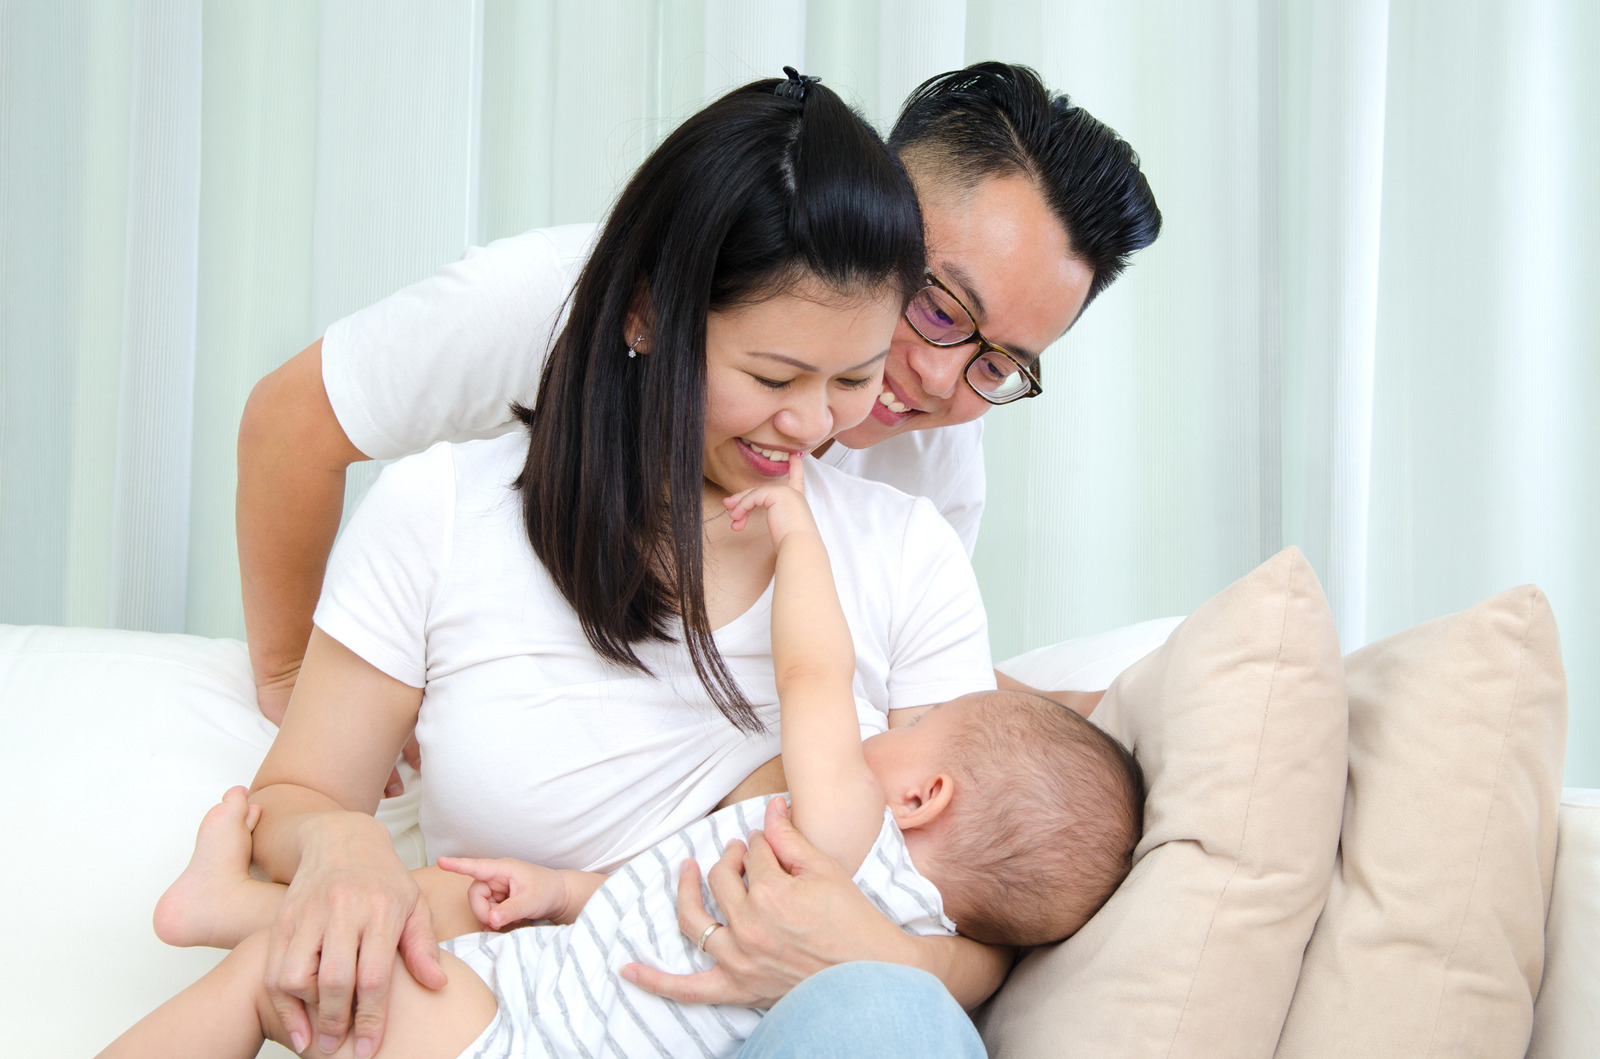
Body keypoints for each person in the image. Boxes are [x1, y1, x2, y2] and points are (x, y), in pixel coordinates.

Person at [238, 69, 1017, 1059]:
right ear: (647, 313)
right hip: (511, 1029)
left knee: (885, 1021)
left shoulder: (908, 556)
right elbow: (293, 802)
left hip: (806, 1033)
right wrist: (338, 842)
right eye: (774, 377)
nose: (813, 424)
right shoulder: (442, 517)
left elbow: (985, 926)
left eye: (853, 380)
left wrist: (859, 953)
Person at [106, 462, 1143, 1059]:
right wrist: (566, 889)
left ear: (923, 791)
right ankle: (236, 912)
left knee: (265, 989)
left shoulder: (846, 825)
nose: (879, 729)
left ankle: (235, 928)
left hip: (523, 1037)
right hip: (548, 994)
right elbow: (670, 907)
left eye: (906, 731)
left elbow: (817, 677)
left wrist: (799, 544)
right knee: (446, 911)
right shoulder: (880, 895)